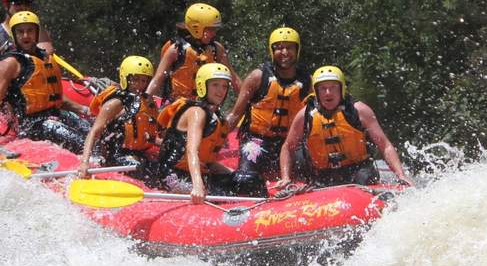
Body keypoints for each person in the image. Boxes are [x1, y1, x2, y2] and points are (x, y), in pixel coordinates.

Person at [274, 65, 410, 189]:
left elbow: (384, 145)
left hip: (358, 172)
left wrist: (401, 175)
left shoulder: (360, 111)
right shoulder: (304, 116)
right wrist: (286, 177)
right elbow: (288, 147)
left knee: (363, 178)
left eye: (333, 87)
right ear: (316, 91)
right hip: (323, 176)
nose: (328, 92)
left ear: (341, 89)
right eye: (323, 88)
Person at [0, 11, 91, 150]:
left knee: (94, 134)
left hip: (55, 115)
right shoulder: (9, 63)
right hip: (31, 125)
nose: (25, 35)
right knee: (84, 144)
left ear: (37, 33)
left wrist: (85, 110)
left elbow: (54, 98)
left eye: (30, 30)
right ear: (14, 35)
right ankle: (92, 161)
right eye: (20, 31)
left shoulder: (45, 58)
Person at [225, 26, 310, 195]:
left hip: (290, 145)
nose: (284, 52)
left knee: (314, 173)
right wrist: (212, 137)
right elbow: (235, 115)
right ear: (272, 51)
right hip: (258, 142)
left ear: (297, 50)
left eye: (289, 47)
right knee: (244, 180)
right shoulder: (257, 77)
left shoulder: (308, 81)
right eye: (279, 48)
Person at [140, 62, 237, 204]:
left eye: (224, 86)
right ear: (203, 86)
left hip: (192, 173)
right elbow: (191, 150)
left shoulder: (215, 116)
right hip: (171, 173)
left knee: (246, 181)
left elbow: (206, 160)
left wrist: (233, 174)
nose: (220, 91)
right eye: (215, 85)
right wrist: (198, 186)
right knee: (221, 195)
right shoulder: (197, 112)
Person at [77, 55, 161, 177]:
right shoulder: (116, 102)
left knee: (163, 173)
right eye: (135, 79)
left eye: (143, 80)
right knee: (147, 174)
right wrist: (85, 162)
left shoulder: (147, 102)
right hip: (115, 154)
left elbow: (147, 132)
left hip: (138, 154)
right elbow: (94, 132)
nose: (140, 84)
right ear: (125, 78)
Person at [146, 2, 240, 101]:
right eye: (210, 30)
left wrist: (246, 100)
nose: (214, 34)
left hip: (205, 104)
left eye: (215, 30)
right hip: (177, 103)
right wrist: (146, 99)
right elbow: (158, 79)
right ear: (196, 28)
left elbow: (234, 79)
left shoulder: (217, 49)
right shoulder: (176, 49)